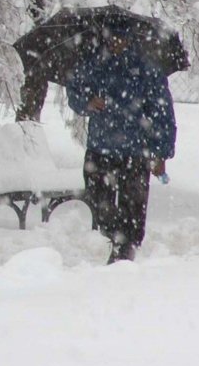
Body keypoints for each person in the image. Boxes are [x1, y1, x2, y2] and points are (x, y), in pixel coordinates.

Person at [66, 27, 176, 263]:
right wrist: (88, 102)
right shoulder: (94, 63)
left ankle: (126, 251)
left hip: (135, 151)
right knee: (99, 201)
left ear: (130, 39)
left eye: (120, 38)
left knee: (133, 208)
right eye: (111, 37)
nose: (115, 42)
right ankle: (117, 240)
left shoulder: (146, 68)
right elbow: (74, 91)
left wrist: (160, 153)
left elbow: (162, 113)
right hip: (100, 148)